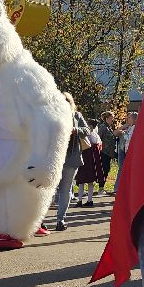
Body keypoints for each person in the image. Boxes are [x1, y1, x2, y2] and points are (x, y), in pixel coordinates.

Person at [53, 93, 85, 231]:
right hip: (54, 158)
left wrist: (75, 130)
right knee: (49, 190)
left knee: (65, 190)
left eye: (67, 101)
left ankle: (60, 220)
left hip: (71, 158)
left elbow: (87, 130)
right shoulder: (52, 115)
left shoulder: (76, 115)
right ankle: (39, 222)